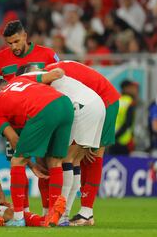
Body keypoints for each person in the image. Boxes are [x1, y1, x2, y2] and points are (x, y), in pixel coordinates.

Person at [14, 63, 106, 226]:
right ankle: (64, 214)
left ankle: (60, 216)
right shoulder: (48, 80)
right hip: (96, 104)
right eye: (36, 70)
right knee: (75, 160)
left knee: (63, 160)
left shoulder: (36, 83)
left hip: (81, 106)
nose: (40, 72)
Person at [0, 76, 71, 227]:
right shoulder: (18, 81)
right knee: (55, 161)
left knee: (16, 161)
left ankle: (18, 218)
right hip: (65, 104)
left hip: (43, 110)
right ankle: (54, 214)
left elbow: (15, 140)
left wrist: (32, 165)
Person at [42, 60, 120, 226]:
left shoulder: (47, 77)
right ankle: (72, 213)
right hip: (97, 100)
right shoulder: (52, 70)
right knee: (78, 156)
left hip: (104, 101)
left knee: (91, 155)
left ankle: (85, 212)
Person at [0, 20, 59, 91]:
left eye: (16, 41)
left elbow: (60, 77)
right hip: (13, 105)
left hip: (39, 104)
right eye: (10, 43)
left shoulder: (48, 54)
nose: (14, 47)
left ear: (25, 36)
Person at [109, 80, 138, 155]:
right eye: (133, 88)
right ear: (126, 88)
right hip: (124, 141)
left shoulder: (116, 100)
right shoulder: (130, 102)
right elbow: (128, 123)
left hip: (112, 139)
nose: (135, 90)